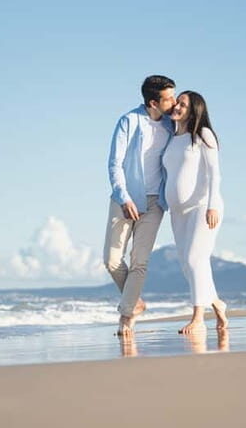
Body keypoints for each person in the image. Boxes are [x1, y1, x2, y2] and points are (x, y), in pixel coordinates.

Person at [104, 75, 176, 336]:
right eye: (169, 98)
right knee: (111, 260)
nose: (174, 102)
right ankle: (136, 303)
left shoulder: (172, 125)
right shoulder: (129, 121)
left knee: (139, 261)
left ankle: (126, 317)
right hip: (125, 198)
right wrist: (124, 197)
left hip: (155, 200)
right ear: (153, 102)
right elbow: (115, 163)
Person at [162, 90, 228, 334]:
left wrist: (212, 204)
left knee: (195, 259)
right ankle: (217, 305)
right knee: (187, 265)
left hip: (204, 207)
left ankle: (198, 318)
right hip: (178, 212)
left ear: (194, 110)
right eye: (177, 102)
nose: (177, 107)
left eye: (183, 104)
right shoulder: (172, 138)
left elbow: (214, 173)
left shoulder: (203, 134)